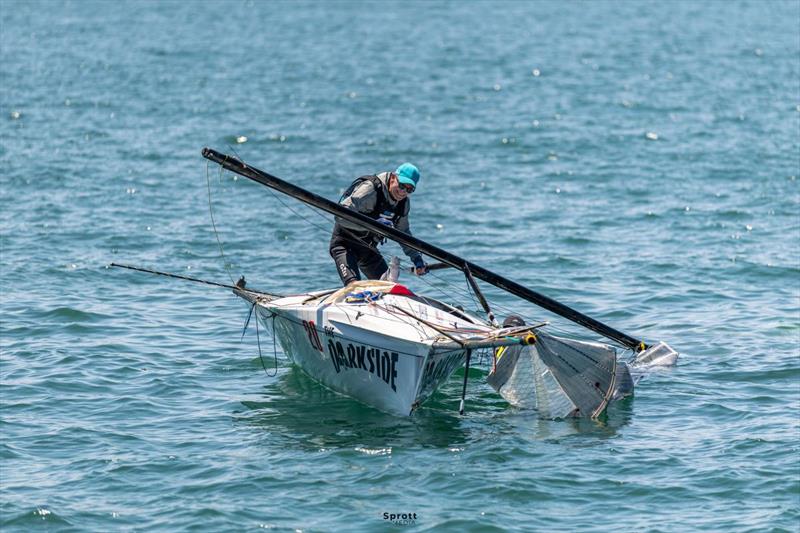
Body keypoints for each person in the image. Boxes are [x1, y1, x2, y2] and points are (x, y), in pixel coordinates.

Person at [330, 163, 428, 286]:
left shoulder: (403, 204)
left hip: (368, 250)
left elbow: (403, 233)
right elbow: (339, 216)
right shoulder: (371, 189)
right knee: (354, 286)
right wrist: (372, 224)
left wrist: (416, 258)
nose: (403, 192)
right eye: (402, 186)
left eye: (409, 189)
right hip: (344, 245)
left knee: (388, 287)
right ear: (393, 177)